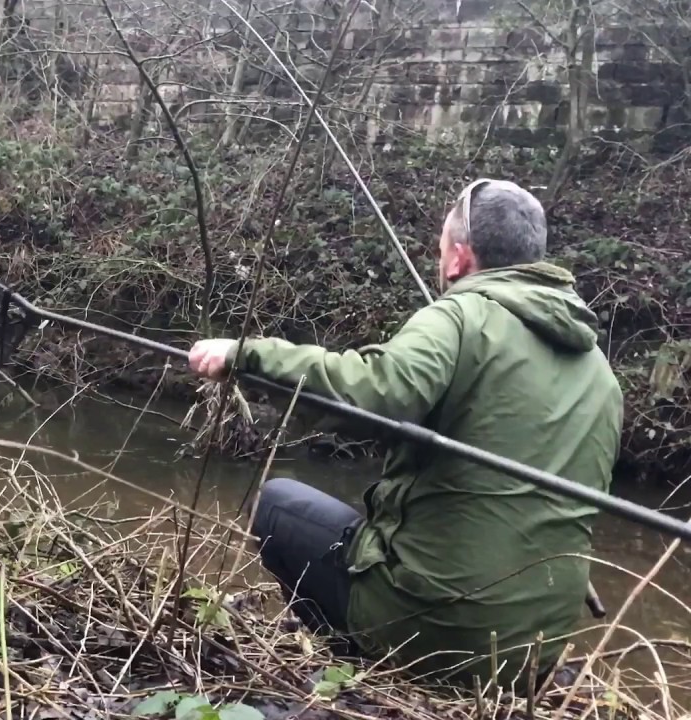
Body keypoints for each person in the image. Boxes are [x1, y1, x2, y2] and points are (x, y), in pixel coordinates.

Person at [189, 179, 622, 688]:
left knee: (277, 504)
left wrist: (245, 355)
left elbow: (374, 392)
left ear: (458, 258)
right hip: (531, 653)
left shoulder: (457, 317)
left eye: (441, 249)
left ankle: (357, 663)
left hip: (438, 632)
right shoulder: (601, 373)